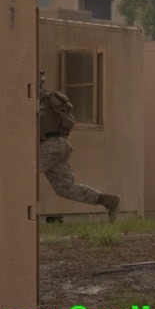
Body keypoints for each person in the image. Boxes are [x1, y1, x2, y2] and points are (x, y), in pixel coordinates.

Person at [38, 72, 120, 222]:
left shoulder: (37, 100)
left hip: (49, 146)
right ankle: (106, 200)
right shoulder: (50, 98)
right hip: (60, 145)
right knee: (65, 187)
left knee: (21, 176)